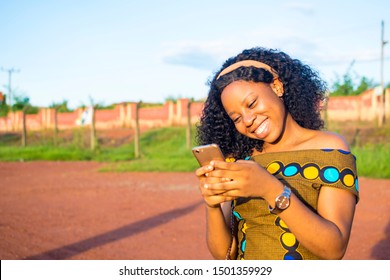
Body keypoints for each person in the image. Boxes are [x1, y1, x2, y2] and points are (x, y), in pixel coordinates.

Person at [195, 47, 359, 260]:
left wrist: (270, 189)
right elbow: (223, 255)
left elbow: (334, 249)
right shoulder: (240, 159)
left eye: (252, 104)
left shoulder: (329, 147)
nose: (247, 120)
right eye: (236, 118)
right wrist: (213, 205)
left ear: (277, 87)